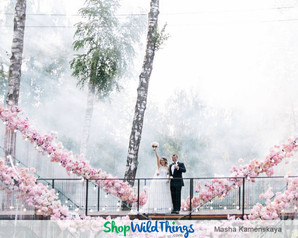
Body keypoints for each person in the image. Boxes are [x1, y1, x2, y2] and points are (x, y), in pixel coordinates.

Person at [142, 146, 173, 214]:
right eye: (161, 161)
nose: (161, 161)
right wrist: (155, 151)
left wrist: (168, 179)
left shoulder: (167, 167)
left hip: (165, 181)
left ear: (165, 161)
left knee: (165, 194)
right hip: (159, 181)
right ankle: (156, 208)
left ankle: (164, 208)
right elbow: (157, 158)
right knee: (158, 193)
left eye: (162, 160)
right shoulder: (159, 166)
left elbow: (169, 174)